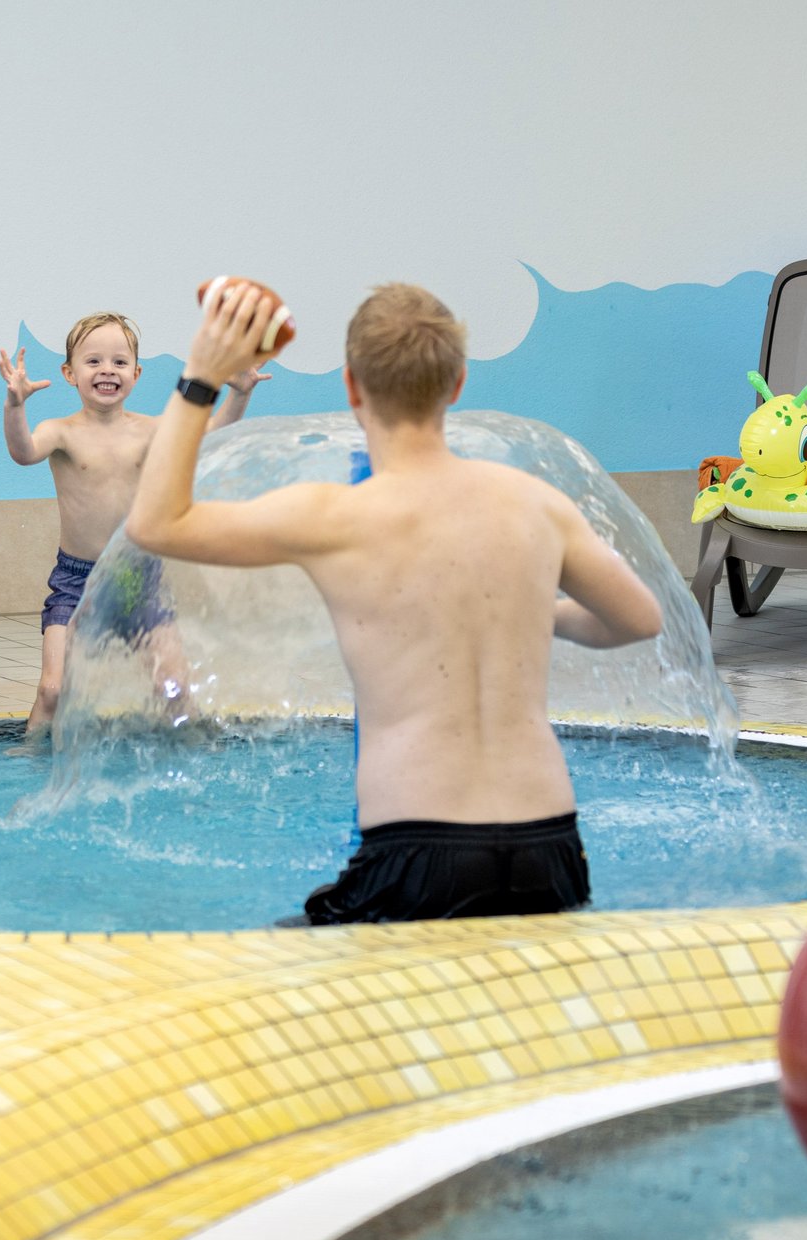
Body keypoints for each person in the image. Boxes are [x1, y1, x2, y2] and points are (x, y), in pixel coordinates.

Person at [126, 281, 664, 922]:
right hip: (548, 843)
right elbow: (638, 618)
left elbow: (155, 524)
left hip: (416, 844)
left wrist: (200, 378)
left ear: (353, 387)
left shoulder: (335, 516)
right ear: (457, 384)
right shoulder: (536, 503)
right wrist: (537, 615)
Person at [0, 311, 265, 735]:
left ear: (136, 374)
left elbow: (212, 433)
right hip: (75, 580)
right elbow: (23, 452)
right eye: (94, 361)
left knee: (173, 690)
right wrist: (15, 406)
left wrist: (241, 394)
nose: (107, 370)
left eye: (119, 362)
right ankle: (28, 766)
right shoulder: (61, 432)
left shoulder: (152, 429)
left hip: (139, 576)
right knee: (53, 690)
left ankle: (193, 764)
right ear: (70, 373)